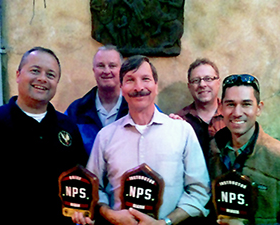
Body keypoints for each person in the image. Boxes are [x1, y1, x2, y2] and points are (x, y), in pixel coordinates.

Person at [73, 55, 211, 225]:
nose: (139, 87)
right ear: (121, 87)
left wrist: (165, 222)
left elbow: (199, 190)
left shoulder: (182, 131)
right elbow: (93, 187)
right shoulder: (105, 136)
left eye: (145, 79)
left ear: (156, 85)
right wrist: (109, 214)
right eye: (130, 80)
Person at [0, 47, 88, 225]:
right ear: (18, 74)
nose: (42, 79)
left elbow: (81, 178)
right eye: (35, 71)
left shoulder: (67, 127)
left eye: (50, 75)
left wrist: (83, 210)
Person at [208, 74, 280, 224]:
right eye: (230, 104)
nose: (237, 113)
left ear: (259, 108)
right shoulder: (214, 150)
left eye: (246, 104)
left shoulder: (276, 156)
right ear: (221, 107)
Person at [65, 45, 129, 156]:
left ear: (122, 71)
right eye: (101, 66)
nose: (106, 71)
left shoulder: (135, 107)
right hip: (86, 172)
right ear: (94, 70)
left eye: (112, 66)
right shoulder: (76, 110)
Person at [175, 58, 226, 161]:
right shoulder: (179, 121)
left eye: (208, 79)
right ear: (189, 86)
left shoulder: (232, 115)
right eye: (196, 80)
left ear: (218, 82)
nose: (202, 85)